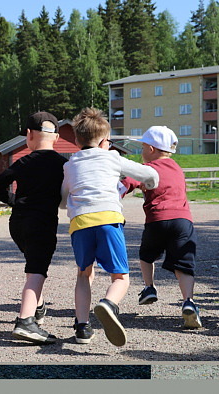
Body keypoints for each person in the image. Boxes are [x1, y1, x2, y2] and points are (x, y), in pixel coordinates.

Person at [60, 107, 159, 346]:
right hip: (108, 219)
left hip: (80, 223)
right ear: (105, 141)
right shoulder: (112, 157)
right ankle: (108, 304)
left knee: (84, 274)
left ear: (76, 139)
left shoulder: (70, 164)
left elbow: (63, 200)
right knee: (120, 277)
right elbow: (151, 176)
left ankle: (82, 327)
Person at [0, 111, 67, 345]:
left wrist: (13, 201)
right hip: (42, 222)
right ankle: (25, 321)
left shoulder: (23, 162)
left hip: (18, 223)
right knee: (37, 270)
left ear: (28, 135)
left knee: (32, 264)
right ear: (56, 137)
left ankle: (38, 305)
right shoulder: (63, 164)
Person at [136, 126, 202, 329]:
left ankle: (149, 288)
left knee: (146, 255)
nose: (141, 152)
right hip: (182, 221)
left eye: (142, 148)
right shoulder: (177, 168)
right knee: (183, 264)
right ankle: (188, 301)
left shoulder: (148, 169)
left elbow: (129, 181)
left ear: (151, 148)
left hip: (156, 220)